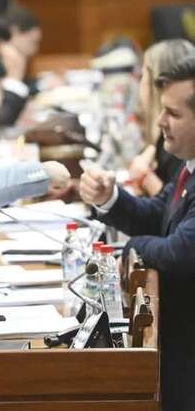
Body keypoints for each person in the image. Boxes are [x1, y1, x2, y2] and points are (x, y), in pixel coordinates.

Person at [79, 55, 195, 411]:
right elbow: (159, 214)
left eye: (173, 114)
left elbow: (181, 253)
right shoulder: (187, 167)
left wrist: (130, 248)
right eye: (163, 110)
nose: (160, 122)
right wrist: (110, 198)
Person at [129, 39, 194, 195]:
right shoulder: (166, 138)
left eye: (142, 77)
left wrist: (145, 176)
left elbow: (170, 212)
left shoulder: (181, 145)